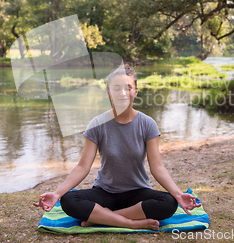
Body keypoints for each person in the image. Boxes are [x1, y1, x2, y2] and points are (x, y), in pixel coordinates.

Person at [33, 66, 201, 231]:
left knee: (169, 203)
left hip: (138, 192)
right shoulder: (97, 124)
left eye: (127, 88)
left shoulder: (147, 124)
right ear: (108, 93)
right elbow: (83, 167)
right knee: (68, 200)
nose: (122, 93)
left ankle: (101, 218)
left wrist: (178, 194)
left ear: (135, 91)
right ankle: (132, 222)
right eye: (116, 88)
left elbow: (157, 167)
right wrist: (56, 193)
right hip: (105, 192)